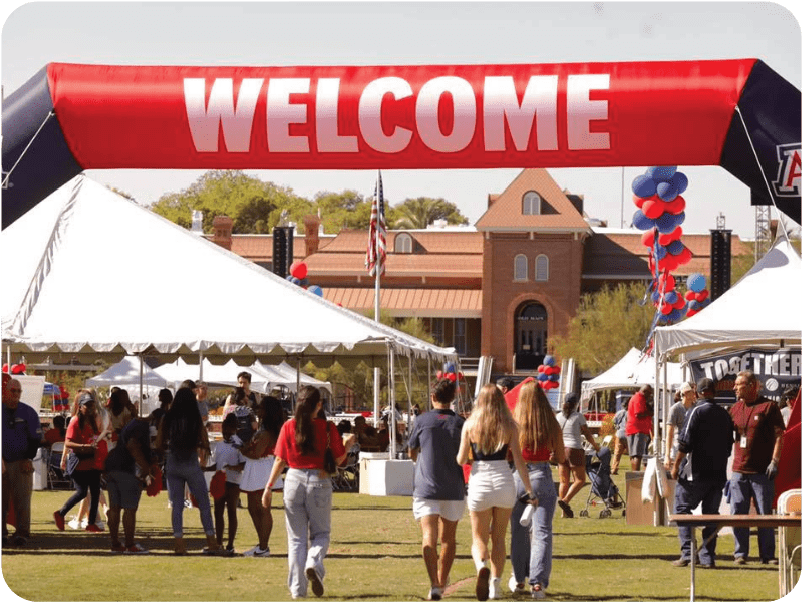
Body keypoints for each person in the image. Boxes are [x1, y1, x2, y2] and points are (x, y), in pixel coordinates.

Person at [262, 386, 355, 599]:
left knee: (296, 539)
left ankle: (298, 590)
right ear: (319, 405)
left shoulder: (288, 427)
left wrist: (268, 488)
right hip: (319, 481)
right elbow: (340, 461)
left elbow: (280, 459)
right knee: (321, 534)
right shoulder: (327, 428)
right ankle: (314, 561)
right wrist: (347, 445)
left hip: (293, 480)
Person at [457, 384, 535, 601]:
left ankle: (482, 565)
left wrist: (473, 456)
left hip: (480, 481)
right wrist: (529, 490)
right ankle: (495, 586)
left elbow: (461, 459)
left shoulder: (470, 424)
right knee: (499, 538)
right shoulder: (510, 425)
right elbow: (518, 460)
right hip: (504, 482)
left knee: (479, 537)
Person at [406, 378, 465, 602]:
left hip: (426, 487)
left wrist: (419, 461)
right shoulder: (460, 422)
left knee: (428, 537)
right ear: (453, 399)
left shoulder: (422, 420)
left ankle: (434, 584)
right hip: (453, 487)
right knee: (449, 538)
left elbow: (412, 450)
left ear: (433, 397)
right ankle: (441, 580)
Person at [509, 381, 565, 600]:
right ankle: (538, 583)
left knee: (518, 531)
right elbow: (561, 457)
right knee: (542, 532)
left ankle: (519, 578)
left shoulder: (514, 423)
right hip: (542, 476)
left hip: (518, 476)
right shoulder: (551, 424)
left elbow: (508, 454)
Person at [670, 377, 734, 568]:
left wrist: (675, 465)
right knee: (711, 514)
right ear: (714, 392)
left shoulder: (695, 411)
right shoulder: (724, 414)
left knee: (682, 510)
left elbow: (685, 442)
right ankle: (707, 557)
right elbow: (729, 445)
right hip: (717, 473)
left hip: (694, 473)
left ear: (698, 392)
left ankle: (689, 554)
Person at [155, 386, 221, 555]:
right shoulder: (195, 418)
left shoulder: (167, 418)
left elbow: (158, 443)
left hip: (173, 462)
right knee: (204, 504)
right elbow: (205, 442)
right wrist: (202, 456)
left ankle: (179, 544)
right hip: (191, 462)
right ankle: (211, 541)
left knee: (177, 505)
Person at [729, 370, 785, 565]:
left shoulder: (769, 407)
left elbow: (779, 435)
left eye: (739, 384)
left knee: (764, 515)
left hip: (762, 472)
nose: (734, 388)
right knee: (738, 513)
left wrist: (775, 461)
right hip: (738, 471)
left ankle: (767, 556)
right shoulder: (734, 409)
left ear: (752, 386)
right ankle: (740, 554)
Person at [104, 409, 157, 554]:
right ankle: (129, 544)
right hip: (127, 468)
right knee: (129, 508)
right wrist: (146, 468)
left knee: (114, 507)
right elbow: (132, 445)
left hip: (112, 465)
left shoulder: (133, 424)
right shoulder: (142, 427)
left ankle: (115, 543)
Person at [240, 395, 285, 557]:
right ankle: (261, 544)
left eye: (261, 408)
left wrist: (243, 450)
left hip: (262, 468)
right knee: (253, 507)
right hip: (257, 468)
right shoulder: (263, 428)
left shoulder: (267, 432)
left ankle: (264, 546)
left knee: (263, 508)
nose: (258, 410)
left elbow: (257, 453)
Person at [54, 391, 104, 534]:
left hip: (92, 462)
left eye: (92, 405)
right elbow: (68, 442)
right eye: (87, 405)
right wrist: (84, 447)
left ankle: (91, 523)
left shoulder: (93, 421)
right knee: (82, 492)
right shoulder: (75, 421)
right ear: (80, 407)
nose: (90, 408)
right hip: (79, 463)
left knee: (95, 493)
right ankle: (60, 513)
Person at [2, 377, 43, 547]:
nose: (17, 394)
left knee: (22, 501)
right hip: (2, 462)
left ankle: (22, 533)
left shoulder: (28, 412)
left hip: (21, 462)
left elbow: (35, 439)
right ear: (5, 392)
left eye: (19, 391)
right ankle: (2, 534)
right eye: (13, 390)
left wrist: (28, 458)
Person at [556, 393, 599, 519]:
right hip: (574, 449)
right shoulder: (578, 416)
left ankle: (564, 513)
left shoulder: (558, 416)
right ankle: (565, 501)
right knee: (580, 480)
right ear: (576, 404)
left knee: (563, 481)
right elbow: (587, 434)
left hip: (561, 449)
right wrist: (596, 447)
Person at [213, 413, 246, 554]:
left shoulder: (238, 444)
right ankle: (219, 542)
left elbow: (243, 464)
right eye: (224, 428)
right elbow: (215, 464)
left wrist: (231, 468)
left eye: (229, 428)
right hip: (220, 481)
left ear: (234, 429)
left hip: (233, 482)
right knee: (218, 512)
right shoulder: (219, 444)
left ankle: (230, 544)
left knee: (231, 512)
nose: (225, 431)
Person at [664, 382, 696, 471]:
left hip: (693, 449)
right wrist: (667, 455)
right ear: (685, 393)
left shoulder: (696, 408)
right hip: (679, 448)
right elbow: (669, 434)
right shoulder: (675, 409)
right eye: (692, 391)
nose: (695, 394)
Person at [626, 384, 653, 472]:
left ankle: (634, 474)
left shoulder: (636, 397)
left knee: (634, 455)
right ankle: (636, 475)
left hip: (634, 429)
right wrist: (649, 413)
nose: (650, 396)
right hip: (638, 430)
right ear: (645, 392)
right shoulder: (639, 398)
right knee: (637, 455)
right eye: (649, 394)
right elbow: (638, 414)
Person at [610, 398, 628, 475]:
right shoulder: (630, 413)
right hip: (628, 434)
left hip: (619, 434)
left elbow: (613, 422)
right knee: (632, 454)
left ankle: (614, 469)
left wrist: (616, 427)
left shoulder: (619, 413)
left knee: (617, 453)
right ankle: (634, 469)